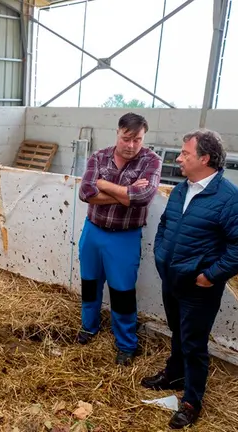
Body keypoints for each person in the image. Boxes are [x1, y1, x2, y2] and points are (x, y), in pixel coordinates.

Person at [142, 129, 238, 429]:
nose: (179, 158)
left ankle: (192, 400)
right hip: (172, 279)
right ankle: (174, 374)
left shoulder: (231, 199)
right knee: (177, 333)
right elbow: (166, 225)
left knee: (194, 344)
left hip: (199, 287)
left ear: (205, 158)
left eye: (186, 154)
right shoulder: (182, 189)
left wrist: (211, 275)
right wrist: (161, 255)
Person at [77, 112, 162, 365]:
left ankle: (126, 343)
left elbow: (143, 197)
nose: (132, 145)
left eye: (137, 139)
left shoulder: (151, 161)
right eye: (127, 138)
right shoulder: (99, 156)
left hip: (124, 237)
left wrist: (105, 185)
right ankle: (88, 327)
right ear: (118, 132)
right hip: (93, 231)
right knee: (90, 284)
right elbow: (85, 193)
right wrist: (126, 194)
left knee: (122, 291)